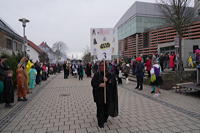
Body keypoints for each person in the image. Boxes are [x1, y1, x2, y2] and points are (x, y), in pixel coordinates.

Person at [91, 61, 118, 128]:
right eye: (101, 65)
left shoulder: (109, 74)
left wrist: (108, 81)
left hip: (108, 95)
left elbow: (113, 83)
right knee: (100, 108)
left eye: (104, 65)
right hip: (99, 95)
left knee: (106, 108)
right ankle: (100, 122)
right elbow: (93, 83)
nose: (102, 67)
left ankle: (105, 118)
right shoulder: (97, 74)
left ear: (106, 66)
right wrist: (99, 85)